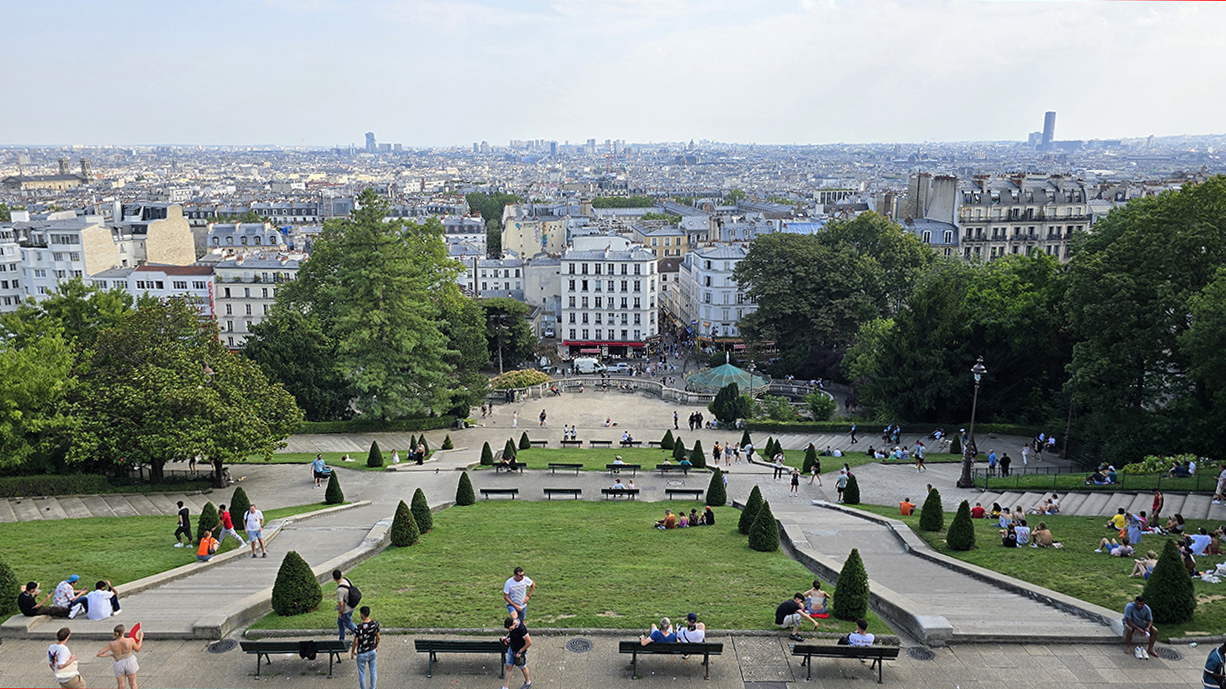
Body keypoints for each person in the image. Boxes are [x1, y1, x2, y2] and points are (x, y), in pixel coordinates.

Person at [97, 623, 143, 689]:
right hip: (130, 661)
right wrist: (141, 638)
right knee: (133, 683)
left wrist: (111, 655)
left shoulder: (111, 644)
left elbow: (99, 654)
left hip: (118, 663)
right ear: (123, 632)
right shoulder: (130, 640)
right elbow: (137, 649)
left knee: (121, 685)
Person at [350, 605, 380, 689]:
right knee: (373, 671)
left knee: (362, 673)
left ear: (362, 614)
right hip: (372, 651)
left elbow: (355, 642)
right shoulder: (375, 624)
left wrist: (352, 652)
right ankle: (373, 687)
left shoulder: (358, 627)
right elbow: (378, 637)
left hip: (362, 653)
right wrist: (376, 646)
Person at [501, 615, 532, 689]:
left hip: (519, 651)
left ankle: (528, 682)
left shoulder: (522, 629)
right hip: (512, 649)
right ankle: (505, 687)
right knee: (509, 667)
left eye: (510, 628)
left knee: (523, 667)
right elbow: (511, 632)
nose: (510, 630)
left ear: (514, 624)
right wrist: (506, 637)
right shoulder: (512, 625)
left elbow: (529, 642)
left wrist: (520, 652)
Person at [334, 570, 360, 642]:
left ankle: (360, 634)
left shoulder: (339, 590)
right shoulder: (346, 580)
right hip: (351, 606)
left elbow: (341, 604)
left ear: (333, 578)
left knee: (349, 625)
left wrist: (340, 612)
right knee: (340, 623)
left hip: (346, 610)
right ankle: (341, 639)